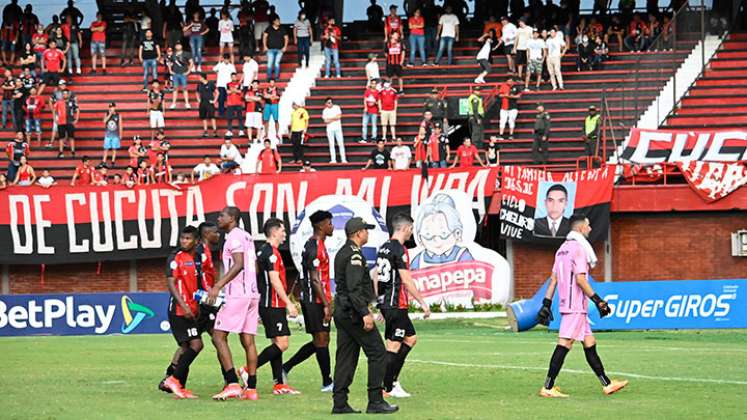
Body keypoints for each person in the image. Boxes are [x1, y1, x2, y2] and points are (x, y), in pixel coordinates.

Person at [537, 215, 629, 398]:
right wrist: (599, 301)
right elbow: (580, 279)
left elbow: (554, 279)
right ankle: (547, 387)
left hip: (570, 305)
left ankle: (607, 384)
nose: (590, 229)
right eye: (588, 225)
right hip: (575, 306)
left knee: (590, 342)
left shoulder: (561, 250)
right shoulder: (579, 249)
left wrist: (546, 303)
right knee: (565, 343)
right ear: (580, 229)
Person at [332, 217, 398, 415]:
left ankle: (340, 402)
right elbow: (354, 289)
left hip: (342, 311)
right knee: (377, 352)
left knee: (345, 357)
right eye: (366, 231)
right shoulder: (354, 255)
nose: (368, 234)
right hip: (352, 313)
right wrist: (365, 313)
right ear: (358, 233)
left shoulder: (343, 252)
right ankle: (375, 400)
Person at [238, 218, 300, 395]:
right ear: (274, 232)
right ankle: (247, 369)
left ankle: (279, 384)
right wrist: (289, 303)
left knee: (276, 342)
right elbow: (274, 280)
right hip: (272, 304)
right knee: (283, 343)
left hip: (268, 303)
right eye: (283, 231)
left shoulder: (263, 251)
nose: (284, 234)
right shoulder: (271, 253)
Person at [374, 213, 431, 398]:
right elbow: (406, 280)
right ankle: (386, 388)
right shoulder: (399, 249)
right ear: (405, 228)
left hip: (388, 304)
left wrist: (379, 303)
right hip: (396, 304)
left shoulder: (384, 248)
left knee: (410, 339)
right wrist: (422, 302)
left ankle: (392, 381)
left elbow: (376, 276)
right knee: (393, 346)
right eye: (411, 230)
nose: (411, 233)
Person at [207, 207, 261, 401]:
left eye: (222, 215)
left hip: (238, 294)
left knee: (218, 336)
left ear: (232, 218)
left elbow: (238, 264)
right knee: (248, 341)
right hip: (252, 293)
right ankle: (252, 389)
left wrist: (218, 286)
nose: (218, 218)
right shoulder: (247, 237)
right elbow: (253, 266)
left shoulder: (234, 237)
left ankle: (232, 383)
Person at [282, 210, 334, 391]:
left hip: (319, 299)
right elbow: (314, 279)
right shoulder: (313, 247)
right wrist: (326, 304)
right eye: (329, 223)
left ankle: (286, 367)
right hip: (313, 300)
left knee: (322, 339)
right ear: (320, 226)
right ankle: (327, 382)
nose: (332, 226)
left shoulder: (319, 244)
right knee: (321, 338)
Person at [159, 226, 209, 398]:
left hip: (191, 309)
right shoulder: (176, 258)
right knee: (197, 345)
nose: (184, 241)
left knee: (186, 347)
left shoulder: (195, 258)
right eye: (182, 238)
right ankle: (173, 379)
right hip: (179, 310)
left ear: (196, 241)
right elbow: (171, 284)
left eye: (188, 239)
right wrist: (185, 306)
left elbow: (196, 285)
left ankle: (178, 386)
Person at [167, 42, 193, 109]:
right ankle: (173, 103)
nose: (178, 46)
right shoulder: (173, 54)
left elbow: (191, 62)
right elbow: (169, 62)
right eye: (177, 45)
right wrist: (170, 70)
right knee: (175, 89)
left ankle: (187, 103)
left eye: (179, 45)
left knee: (184, 88)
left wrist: (188, 71)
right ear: (175, 47)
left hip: (183, 74)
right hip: (175, 74)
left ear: (181, 46)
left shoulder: (186, 54)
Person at [322, 97, 346, 163]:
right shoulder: (325, 111)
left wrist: (330, 119)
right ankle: (333, 159)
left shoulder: (337, 107)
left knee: (341, 143)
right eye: (328, 102)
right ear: (326, 104)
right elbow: (325, 121)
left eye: (331, 102)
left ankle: (343, 159)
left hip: (338, 128)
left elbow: (339, 117)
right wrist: (334, 118)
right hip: (329, 129)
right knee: (331, 144)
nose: (330, 103)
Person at [55, 89, 78, 158]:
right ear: (62, 95)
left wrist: (76, 119)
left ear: (68, 94)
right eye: (64, 94)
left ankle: (73, 152)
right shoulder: (58, 102)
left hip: (70, 122)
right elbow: (54, 110)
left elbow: (77, 109)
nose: (65, 95)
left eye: (66, 94)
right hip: (61, 122)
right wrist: (55, 119)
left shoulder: (72, 102)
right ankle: (61, 152)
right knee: (61, 138)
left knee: (71, 137)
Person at [196, 72, 219, 138]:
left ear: (203, 77)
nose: (199, 78)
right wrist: (198, 100)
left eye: (200, 77)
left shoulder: (211, 83)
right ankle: (205, 132)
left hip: (209, 102)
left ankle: (215, 132)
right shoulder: (199, 84)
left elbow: (217, 92)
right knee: (204, 117)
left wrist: (214, 101)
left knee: (212, 117)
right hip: (202, 103)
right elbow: (197, 92)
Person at [362, 79, 379, 143]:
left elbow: (378, 102)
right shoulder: (367, 91)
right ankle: (364, 138)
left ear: (376, 84)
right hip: (367, 111)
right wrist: (365, 107)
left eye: (375, 83)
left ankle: (374, 138)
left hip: (374, 111)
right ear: (371, 84)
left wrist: (375, 102)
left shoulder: (377, 92)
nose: (373, 85)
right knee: (364, 124)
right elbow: (365, 100)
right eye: (372, 83)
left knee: (374, 125)